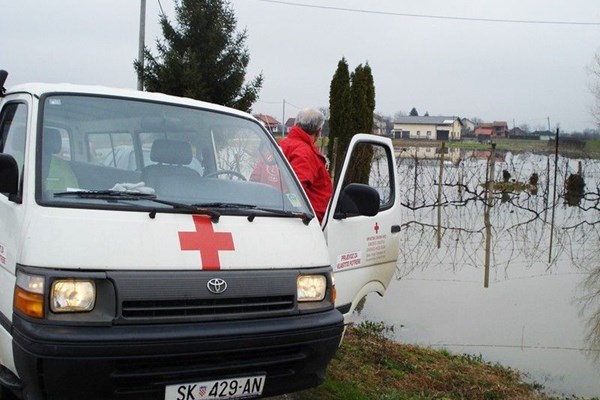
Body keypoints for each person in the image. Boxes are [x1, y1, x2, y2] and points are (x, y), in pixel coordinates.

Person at [279, 108, 333, 223]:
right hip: (307, 223)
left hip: (274, 216)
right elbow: (296, 191)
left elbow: (256, 178)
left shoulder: (278, 146)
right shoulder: (305, 153)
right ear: (318, 131)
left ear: (296, 124)